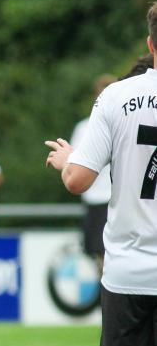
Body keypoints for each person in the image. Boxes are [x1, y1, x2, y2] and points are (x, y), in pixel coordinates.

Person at [45, 3, 157, 346]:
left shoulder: (117, 96)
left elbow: (79, 180)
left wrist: (68, 158)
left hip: (130, 274)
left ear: (150, 42)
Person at [70, 74, 116, 273]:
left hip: (109, 199)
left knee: (108, 259)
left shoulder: (89, 127)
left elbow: (72, 168)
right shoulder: (84, 127)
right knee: (100, 259)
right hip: (97, 199)